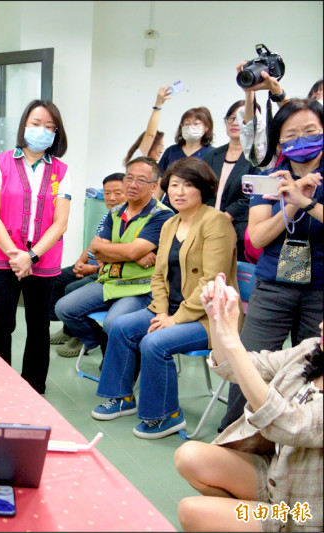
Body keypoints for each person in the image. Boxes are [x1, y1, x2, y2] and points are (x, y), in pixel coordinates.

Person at [90, 158, 239, 439]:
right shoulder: (170, 223)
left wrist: (175, 319)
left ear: (202, 189)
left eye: (188, 185)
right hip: (168, 309)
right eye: (174, 185)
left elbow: (211, 281)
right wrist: (160, 310)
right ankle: (121, 398)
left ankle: (167, 416)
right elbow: (158, 275)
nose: (179, 192)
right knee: (122, 326)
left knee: (154, 342)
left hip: (208, 316)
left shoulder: (216, 223)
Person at [174, 275, 322, 532]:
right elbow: (241, 367)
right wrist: (218, 320)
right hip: (276, 475)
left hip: (302, 512)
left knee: (192, 512)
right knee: (189, 456)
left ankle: (269, 522)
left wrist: (232, 340)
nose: (321, 325)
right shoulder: (311, 350)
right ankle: (253, 519)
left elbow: (285, 423)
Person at [219, 98, 324, 432]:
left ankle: (297, 444)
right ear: (279, 141)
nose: (301, 140)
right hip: (274, 288)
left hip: (320, 292)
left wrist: (306, 201)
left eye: (311, 131)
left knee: (310, 371)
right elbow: (258, 237)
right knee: (246, 363)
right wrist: (290, 205)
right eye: (291, 133)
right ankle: (232, 434)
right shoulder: (267, 180)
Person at [0, 99, 71, 394]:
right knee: (2, 323)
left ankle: (33, 385)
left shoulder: (61, 170)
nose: (41, 130)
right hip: (4, 259)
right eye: (36, 124)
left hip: (43, 261)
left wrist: (31, 255)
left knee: (39, 326)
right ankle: (0, 383)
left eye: (49, 126)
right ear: (24, 126)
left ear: (56, 133)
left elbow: (60, 223)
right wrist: (16, 255)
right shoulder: (0, 163)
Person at [55, 157, 173, 358]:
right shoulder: (116, 212)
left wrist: (117, 250)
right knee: (64, 308)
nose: (133, 185)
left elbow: (128, 250)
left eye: (141, 180)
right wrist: (131, 255)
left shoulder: (162, 215)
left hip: (140, 287)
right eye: (129, 178)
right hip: (111, 280)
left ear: (154, 186)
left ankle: (118, 360)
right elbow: (97, 250)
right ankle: (99, 341)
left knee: (113, 323)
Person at [51, 173, 126, 356]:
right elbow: (92, 245)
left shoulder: (128, 219)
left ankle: (82, 337)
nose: (111, 197)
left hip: (108, 273)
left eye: (117, 192)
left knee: (72, 289)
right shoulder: (108, 215)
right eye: (107, 193)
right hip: (92, 266)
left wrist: (93, 269)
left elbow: (122, 260)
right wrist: (79, 262)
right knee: (56, 278)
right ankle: (69, 329)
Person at [203, 100, 260, 261]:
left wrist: (224, 217)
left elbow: (251, 195)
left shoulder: (257, 157)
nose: (235, 123)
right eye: (231, 118)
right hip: (208, 228)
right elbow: (201, 187)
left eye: (241, 119)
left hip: (239, 231)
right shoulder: (213, 155)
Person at [157, 107, 215, 206]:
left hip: (197, 207)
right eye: (187, 124)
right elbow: (160, 180)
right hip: (170, 206)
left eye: (196, 124)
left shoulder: (212, 154)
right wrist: (155, 205)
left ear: (206, 127)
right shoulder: (171, 151)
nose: (190, 127)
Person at [123, 85, 172, 165]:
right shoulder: (137, 160)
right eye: (159, 146)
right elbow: (150, 135)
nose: (161, 151)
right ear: (151, 144)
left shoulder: (157, 169)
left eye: (162, 147)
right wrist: (159, 104)